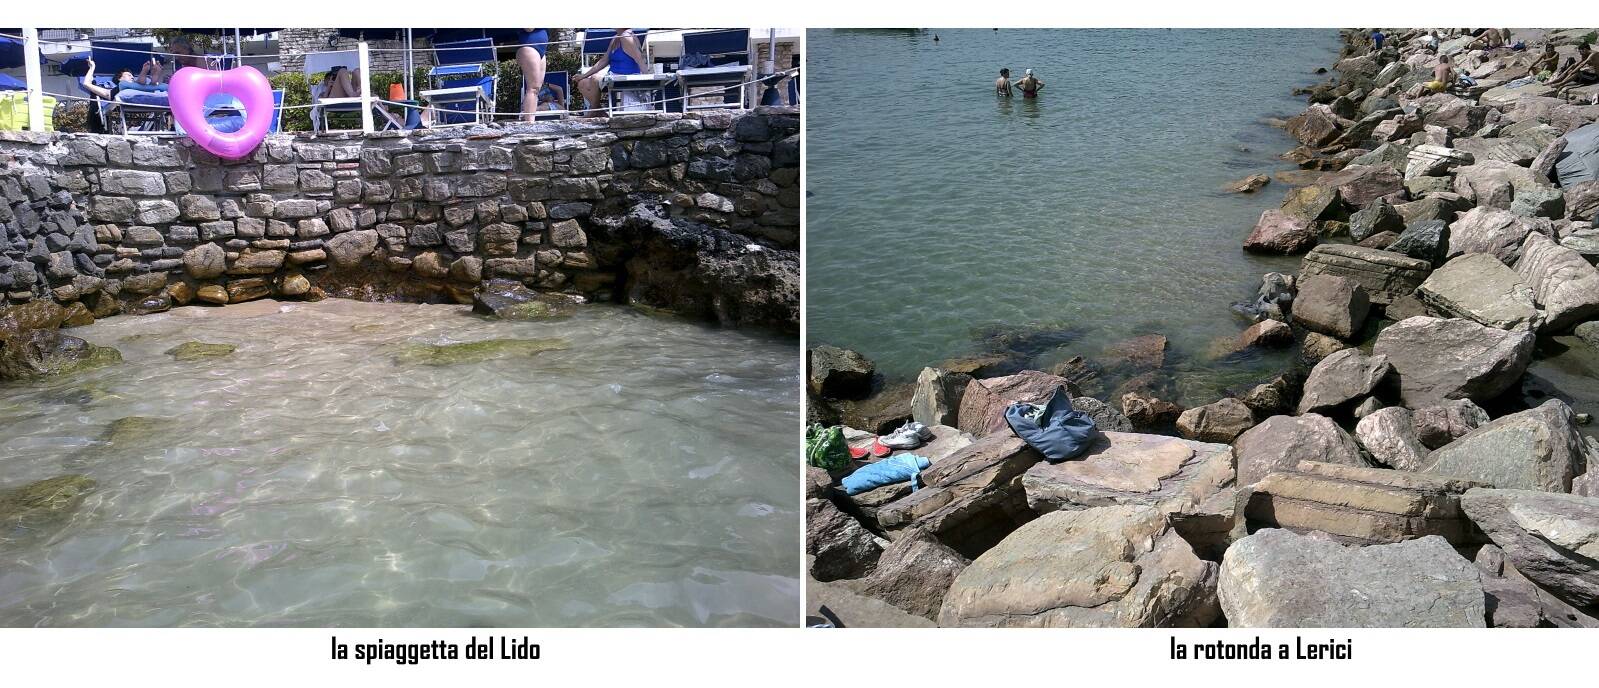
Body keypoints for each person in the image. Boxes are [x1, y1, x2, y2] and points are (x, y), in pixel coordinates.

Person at [576, 28, 645, 117]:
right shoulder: (616, 38)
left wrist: (646, 79)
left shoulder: (627, 37)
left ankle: (593, 110)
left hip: (626, 76)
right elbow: (604, 60)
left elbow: (640, 59)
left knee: (595, 78)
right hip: (613, 75)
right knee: (582, 83)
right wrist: (583, 75)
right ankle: (599, 110)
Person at [319, 66, 407, 129]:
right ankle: (358, 93)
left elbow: (375, 97)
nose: (333, 81)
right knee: (342, 71)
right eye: (330, 80)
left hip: (350, 97)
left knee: (357, 70)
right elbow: (321, 103)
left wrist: (382, 105)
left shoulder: (346, 87)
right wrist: (328, 88)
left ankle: (389, 116)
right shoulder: (323, 92)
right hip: (335, 101)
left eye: (334, 79)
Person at [516, 28, 549, 122]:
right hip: (529, 47)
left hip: (540, 51)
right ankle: (529, 122)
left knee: (536, 90)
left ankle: (531, 120)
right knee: (532, 88)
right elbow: (529, 28)